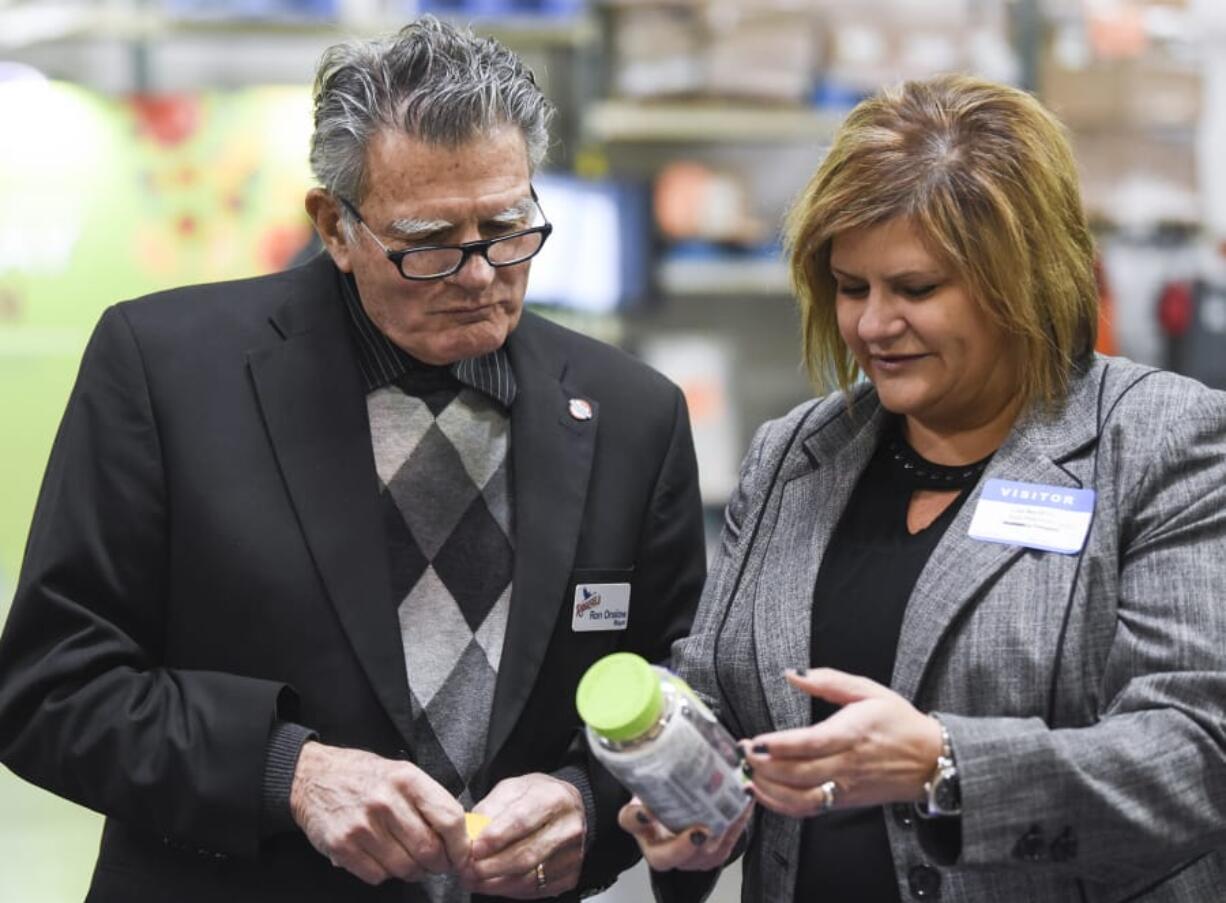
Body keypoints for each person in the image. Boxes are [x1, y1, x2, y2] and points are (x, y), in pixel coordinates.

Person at [0, 18, 706, 903]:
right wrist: (287, 773)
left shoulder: (632, 414)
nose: (481, 273)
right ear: (335, 226)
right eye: (430, 240)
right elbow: (50, 687)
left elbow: (688, 681)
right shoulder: (168, 372)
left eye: (509, 225)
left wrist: (590, 803)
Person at [620, 73, 1226, 901]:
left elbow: (1195, 756)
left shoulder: (1159, 442)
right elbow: (721, 687)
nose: (872, 325)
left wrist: (944, 765)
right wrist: (690, 794)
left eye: (915, 289)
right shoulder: (796, 453)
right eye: (850, 286)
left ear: (1024, 278)